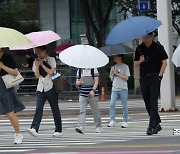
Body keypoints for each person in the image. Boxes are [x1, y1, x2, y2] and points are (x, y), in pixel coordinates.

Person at [134, 32, 168, 135]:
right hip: (144, 78)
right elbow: (135, 64)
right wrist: (140, 61)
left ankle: (151, 126)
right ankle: (157, 124)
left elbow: (164, 62)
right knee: (147, 102)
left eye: (147, 37)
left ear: (151, 36)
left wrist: (160, 75)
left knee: (153, 102)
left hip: (155, 77)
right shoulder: (139, 49)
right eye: (143, 37)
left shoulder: (158, 47)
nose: (144, 39)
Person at [27, 45, 62, 137]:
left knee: (54, 108)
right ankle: (34, 128)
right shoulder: (36, 61)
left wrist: (42, 64)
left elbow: (51, 72)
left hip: (51, 86)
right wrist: (38, 65)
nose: (38, 53)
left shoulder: (51, 60)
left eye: (39, 51)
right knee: (38, 107)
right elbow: (37, 76)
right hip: (40, 87)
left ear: (44, 51)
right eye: (36, 52)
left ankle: (58, 130)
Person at [0, 49, 25, 144]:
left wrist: (2, 66)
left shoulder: (7, 57)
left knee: (10, 113)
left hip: (5, 87)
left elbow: (15, 72)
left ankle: (18, 134)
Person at [75, 68, 103, 134]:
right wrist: (80, 82)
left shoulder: (93, 69)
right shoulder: (80, 70)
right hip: (83, 93)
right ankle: (81, 126)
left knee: (95, 111)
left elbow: (96, 81)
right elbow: (77, 82)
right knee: (82, 111)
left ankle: (98, 126)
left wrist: (93, 90)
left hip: (92, 94)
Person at [108, 54, 130, 128]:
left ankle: (125, 121)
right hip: (115, 88)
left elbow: (126, 78)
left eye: (116, 56)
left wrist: (118, 74)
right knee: (112, 104)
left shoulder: (125, 67)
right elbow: (111, 79)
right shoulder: (113, 67)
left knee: (124, 105)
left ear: (120, 57)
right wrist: (112, 74)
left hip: (123, 88)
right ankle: (112, 120)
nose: (114, 58)